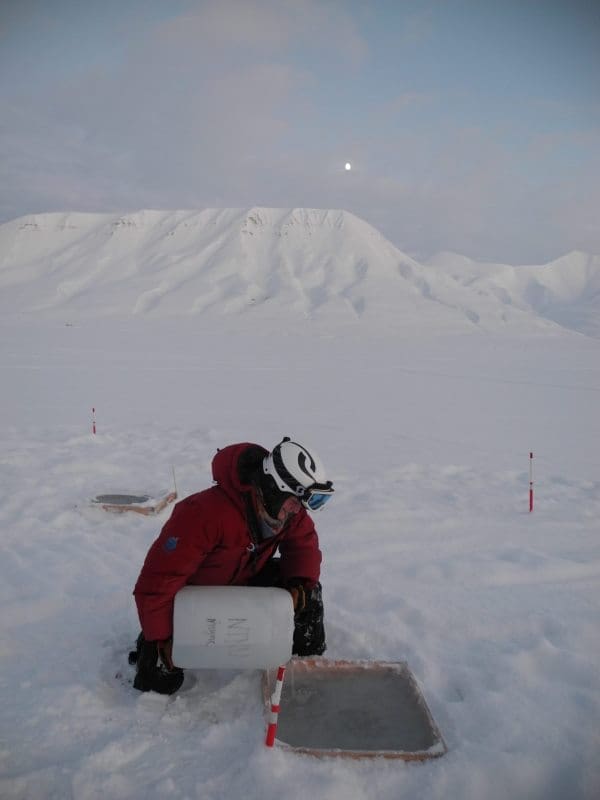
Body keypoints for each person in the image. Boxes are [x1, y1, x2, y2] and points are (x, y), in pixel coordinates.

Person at [131, 437, 334, 694]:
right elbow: (158, 581)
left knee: (309, 596)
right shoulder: (203, 513)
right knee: (159, 681)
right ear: (273, 488)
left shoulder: (289, 513)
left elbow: (303, 546)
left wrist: (300, 585)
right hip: (192, 599)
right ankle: (152, 653)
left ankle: (306, 672)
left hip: (243, 578)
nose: (297, 511)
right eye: (294, 502)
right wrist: (162, 638)